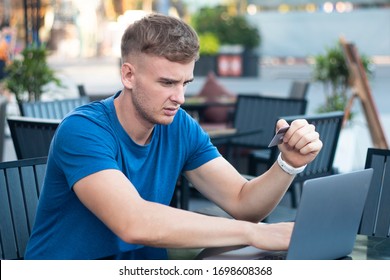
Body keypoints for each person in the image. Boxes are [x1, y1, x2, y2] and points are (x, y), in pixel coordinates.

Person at [25, 13, 322, 260]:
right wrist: (256, 233)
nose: (179, 97)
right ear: (128, 75)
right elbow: (133, 222)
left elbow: (244, 203)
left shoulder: (178, 125)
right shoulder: (82, 130)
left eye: (185, 83)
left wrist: (288, 164)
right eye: (167, 82)